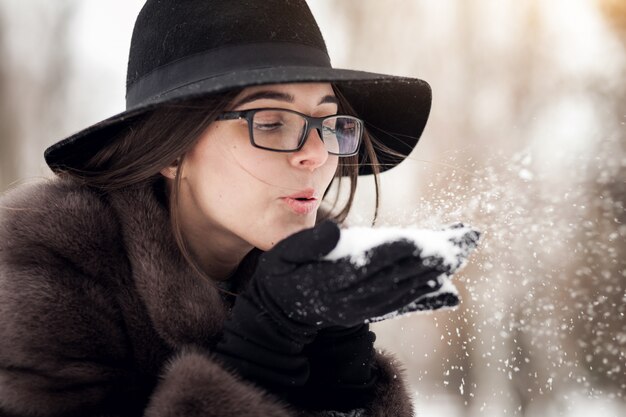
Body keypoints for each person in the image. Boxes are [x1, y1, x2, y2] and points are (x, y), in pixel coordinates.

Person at [0, 1, 479, 416]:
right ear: (169, 149)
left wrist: (342, 368)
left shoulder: (308, 278)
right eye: (270, 122)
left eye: (329, 123)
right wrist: (263, 347)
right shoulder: (48, 271)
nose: (316, 154)